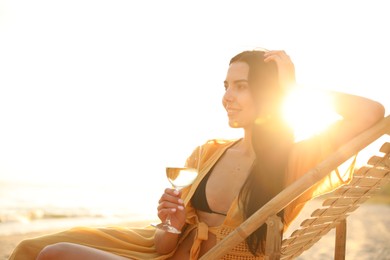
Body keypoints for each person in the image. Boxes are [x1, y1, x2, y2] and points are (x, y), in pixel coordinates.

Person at [9, 49, 385, 260]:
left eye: (241, 86)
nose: (227, 96)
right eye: (226, 85)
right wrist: (170, 223)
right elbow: (164, 244)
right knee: (36, 249)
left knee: (55, 254)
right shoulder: (207, 153)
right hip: (161, 256)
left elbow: (370, 114)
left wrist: (294, 87)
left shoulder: (296, 161)